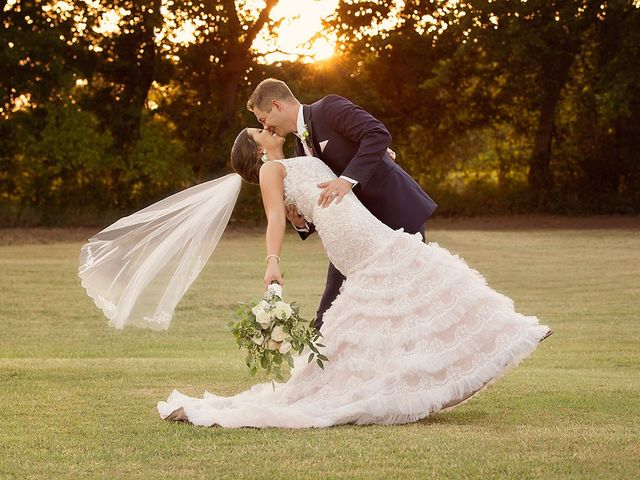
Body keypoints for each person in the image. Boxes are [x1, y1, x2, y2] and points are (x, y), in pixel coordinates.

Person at [155, 127, 553, 428]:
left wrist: (380, 157)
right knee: (412, 269)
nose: (267, 128)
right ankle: (505, 335)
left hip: (358, 221)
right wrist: (272, 260)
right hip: (348, 237)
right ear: (258, 149)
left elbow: (342, 172)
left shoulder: (298, 154)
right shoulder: (270, 171)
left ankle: (489, 343)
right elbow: (276, 217)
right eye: (259, 130)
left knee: (420, 272)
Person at [247, 79, 437, 330]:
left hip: (395, 216)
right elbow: (323, 198)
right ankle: (323, 361)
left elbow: (377, 134)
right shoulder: (299, 148)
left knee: (412, 297)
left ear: (276, 105)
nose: (266, 127)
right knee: (331, 308)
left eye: (263, 119)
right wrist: (302, 224)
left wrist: (347, 179)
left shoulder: (329, 108)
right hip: (353, 235)